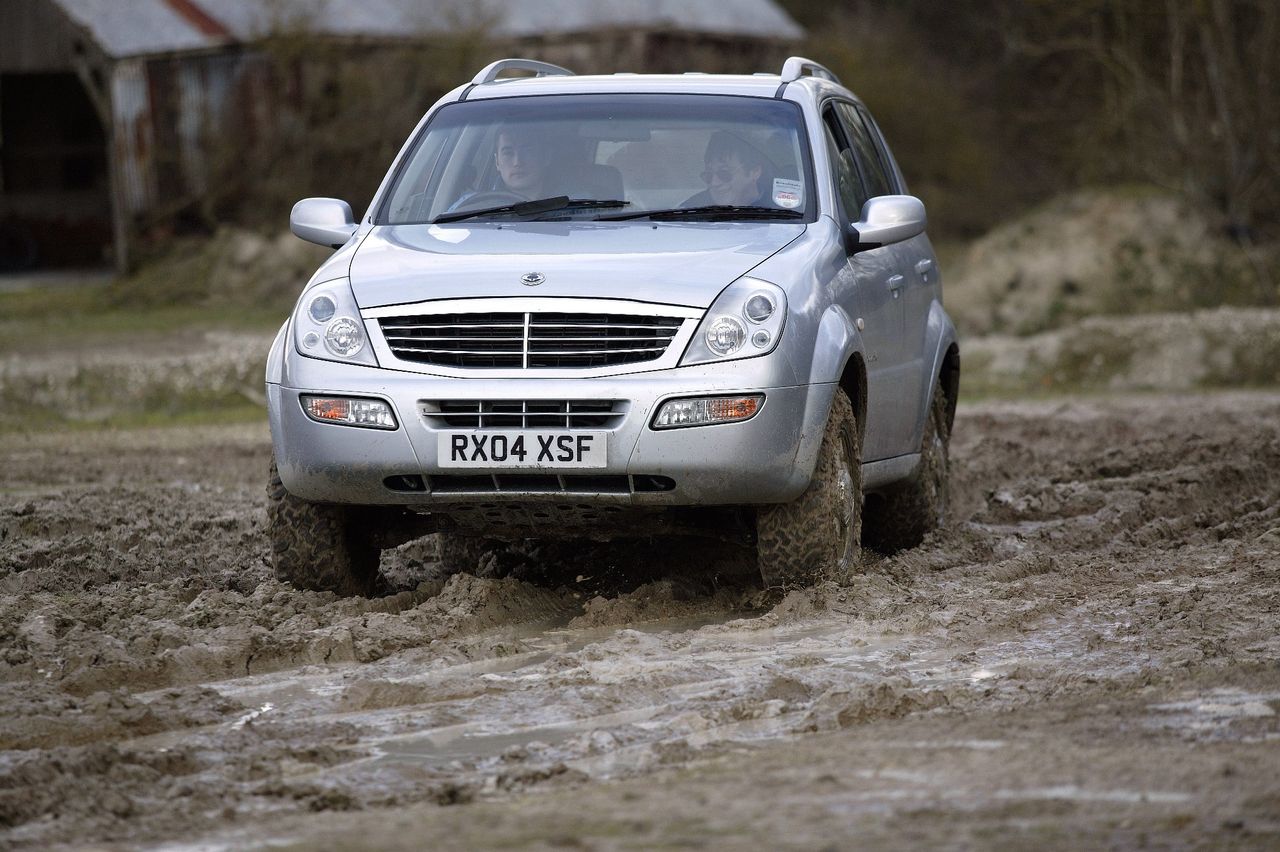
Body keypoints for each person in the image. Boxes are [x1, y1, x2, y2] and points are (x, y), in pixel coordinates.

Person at [683, 131, 772, 207]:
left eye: (724, 173)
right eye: (708, 175)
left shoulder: (779, 209)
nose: (714, 183)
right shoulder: (690, 210)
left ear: (755, 172)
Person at [494, 126, 553, 198]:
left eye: (527, 151)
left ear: (546, 157)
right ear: (497, 162)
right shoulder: (484, 205)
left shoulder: (569, 197)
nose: (517, 163)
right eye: (508, 153)